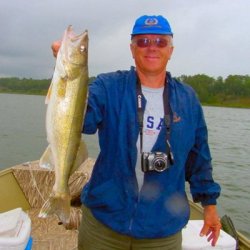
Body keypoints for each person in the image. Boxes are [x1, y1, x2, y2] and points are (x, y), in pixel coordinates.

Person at [52, 15, 221, 250]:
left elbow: (199, 156)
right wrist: (67, 78)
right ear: (132, 49)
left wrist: (210, 206)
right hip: (104, 223)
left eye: (160, 42)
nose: (151, 47)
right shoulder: (108, 86)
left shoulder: (188, 99)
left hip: (162, 230)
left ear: (171, 50)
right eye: (142, 41)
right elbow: (81, 122)